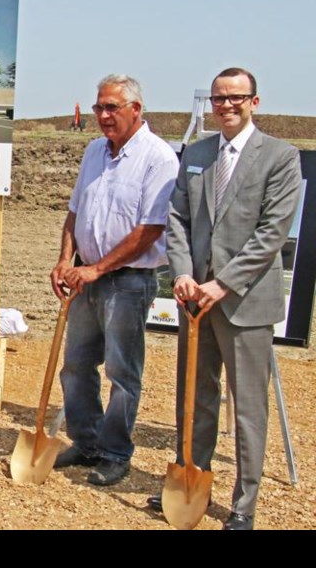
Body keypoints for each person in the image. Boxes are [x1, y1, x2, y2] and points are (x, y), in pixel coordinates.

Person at [154, 68, 302, 529]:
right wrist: (182, 273)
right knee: (193, 398)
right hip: (195, 301)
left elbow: (272, 232)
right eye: (219, 98)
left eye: (236, 98)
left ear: (255, 101)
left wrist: (224, 283)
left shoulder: (279, 157)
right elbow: (177, 219)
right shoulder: (197, 154)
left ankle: (244, 505)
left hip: (243, 304)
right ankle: (190, 483)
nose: (226, 106)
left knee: (249, 409)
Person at [50, 74, 179, 485]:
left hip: (127, 281)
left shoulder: (159, 158)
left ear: (136, 110)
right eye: (99, 107)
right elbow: (75, 211)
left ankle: (115, 452)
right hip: (85, 276)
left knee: (123, 373)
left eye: (112, 108)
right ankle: (86, 442)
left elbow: (151, 228)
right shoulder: (93, 152)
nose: (103, 116)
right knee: (75, 366)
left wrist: (97, 268)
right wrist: (64, 259)